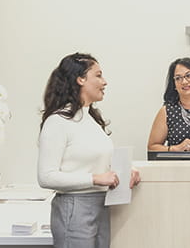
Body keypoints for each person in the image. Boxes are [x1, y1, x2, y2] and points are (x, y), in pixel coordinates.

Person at [37, 53, 141, 248]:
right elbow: (46, 177)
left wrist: (128, 170)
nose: (105, 82)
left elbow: (100, 161)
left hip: (101, 205)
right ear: (80, 79)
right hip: (75, 208)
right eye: (99, 75)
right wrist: (95, 178)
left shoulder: (90, 119)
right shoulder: (58, 122)